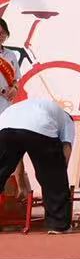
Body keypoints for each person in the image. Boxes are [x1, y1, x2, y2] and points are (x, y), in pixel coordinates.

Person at [0, 93, 75, 233]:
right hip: (40, 125)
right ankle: (58, 224)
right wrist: (59, 176)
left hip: (5, 125)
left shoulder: (31, 106)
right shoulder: (68, 120)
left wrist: (21, 184)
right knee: (53, 176)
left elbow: (16, 158)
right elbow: (66, 148)